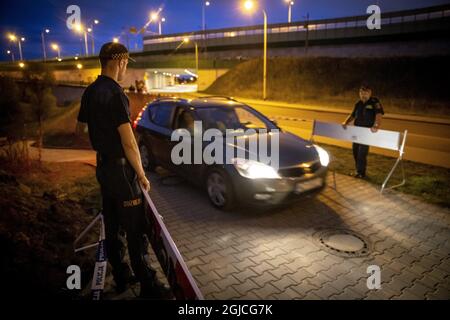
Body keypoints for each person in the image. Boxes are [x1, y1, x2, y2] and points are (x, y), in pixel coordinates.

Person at [75, 42, 170, 299]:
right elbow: (129, 141)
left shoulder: (90, 91)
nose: (125, 69)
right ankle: (148, 286)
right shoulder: (116, 94)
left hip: (103, 168)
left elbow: (81, 130)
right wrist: (140, 173)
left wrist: (101, 141)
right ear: (119, 61)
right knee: (135, 231)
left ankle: (121, 276)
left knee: (113, 226)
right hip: (121, 173)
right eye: (126, 63)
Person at [342, 84, 384, 178]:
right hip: (357, 131)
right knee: (355, 151)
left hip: (366, 132)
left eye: (365, 93)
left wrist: (376, 125)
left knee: (362, 152)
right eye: (361, 93)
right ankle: (358, 171)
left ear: (370, 93)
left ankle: (361, 173)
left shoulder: (374, 102)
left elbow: (379, 114)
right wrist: (346, 122)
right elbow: (352, 115)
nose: (363, 95)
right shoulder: (358, 104)